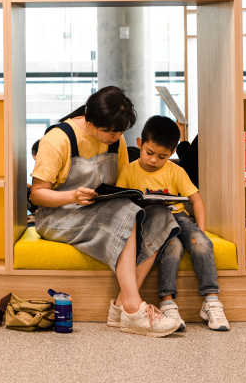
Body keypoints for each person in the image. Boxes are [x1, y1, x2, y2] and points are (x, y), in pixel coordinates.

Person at [30, 86, 180, 337]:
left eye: (121, 131)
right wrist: (73, 196)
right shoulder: (58, 139)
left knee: (160, 216)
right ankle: (133, 309)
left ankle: (122, 305)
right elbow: (37, 194)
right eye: (110, 132)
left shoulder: (116, 140)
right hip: (58, 215)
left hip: (100, 210)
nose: (116, 137)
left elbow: (118, 185)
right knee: (124, 212)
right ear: (90, 122)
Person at [117, 115, 229, 332]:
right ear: (139, 143)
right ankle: (167, 304)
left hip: (179, 217)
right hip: (152, 222)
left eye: (162, 157)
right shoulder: (129, 170)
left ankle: (211, 301)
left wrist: (201, 231)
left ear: (172, 153)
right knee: (173, 247)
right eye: (149, 153)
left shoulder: (176, 171)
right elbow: (121, 203)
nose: (153, 161)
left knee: (202, 243)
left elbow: (197, 201)